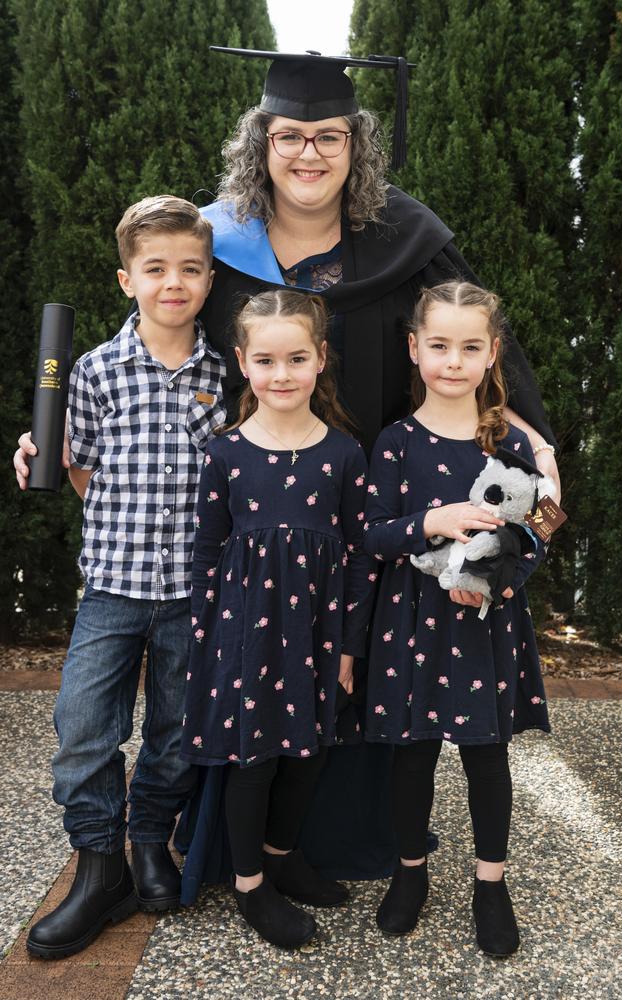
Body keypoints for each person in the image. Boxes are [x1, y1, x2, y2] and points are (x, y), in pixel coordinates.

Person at [15, 48, 560, 884]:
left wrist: (536, 438)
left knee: (347, 666)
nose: (310, 153)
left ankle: (337, 843)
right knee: (244, 677)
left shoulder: (407, 235)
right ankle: (218, 853)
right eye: (291, 135)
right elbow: (158, 353)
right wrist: (58, 434)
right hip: (254, 509)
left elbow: (485, 344)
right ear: (261, 142)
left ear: (357, 145)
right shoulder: (215, 241)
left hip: (367, 493)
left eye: (330, 137)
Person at [26, 196, 226, 959]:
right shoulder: (93, 369)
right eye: (155, 269)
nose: (173, 282)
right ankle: (98, 863)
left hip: (193, 595)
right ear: (126, 279)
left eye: (189, 269)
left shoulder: (227, 370)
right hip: (112, 586)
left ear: (208, 279)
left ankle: (150, 840)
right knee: (83, 731)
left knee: (175, 733)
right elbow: (73, 462)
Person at [180, 289, 375, 947]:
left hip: (317, 638)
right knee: (254, 760)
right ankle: (250, 885)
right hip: (244, 640)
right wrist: (210, 641)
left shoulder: (345, 455)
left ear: (321, 359)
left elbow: (356, 555)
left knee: (309, 755)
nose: (283, 374)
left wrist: (348, 646)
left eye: (297, 358)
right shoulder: (225, 453)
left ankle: (284, 855)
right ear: (243, 362)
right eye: (266, 361)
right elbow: (207, 550)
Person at [363, 280, 551, 955]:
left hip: (484, 625)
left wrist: (495, 586)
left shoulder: (509, 448)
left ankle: (490, 884)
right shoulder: (395, 442)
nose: (452, 360)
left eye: (469, 347)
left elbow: (529, 539)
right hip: (410, 621)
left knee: (484, 755)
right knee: (410, 756)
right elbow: (373, 534)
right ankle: (410, 874)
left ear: (491, 353)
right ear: (414, 349)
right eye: (438, 345)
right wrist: (431, 522)